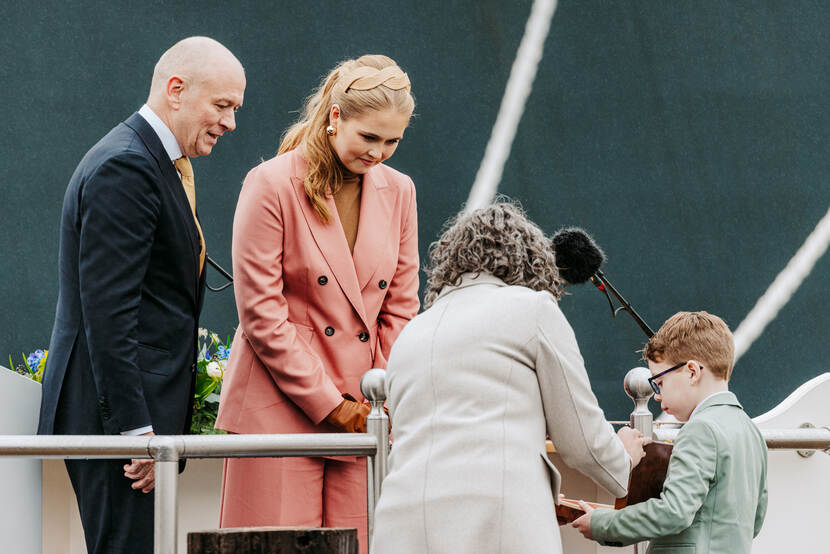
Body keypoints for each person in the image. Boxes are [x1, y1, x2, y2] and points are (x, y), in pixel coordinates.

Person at [36, 37, 245, 553]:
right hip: (123, 432)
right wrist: (136, 435)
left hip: (135, 428)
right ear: (176, 90)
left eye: (235, 108)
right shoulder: (127, 167)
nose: (231, 123)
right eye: (222, 106)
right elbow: (109, 315)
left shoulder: (147, 160)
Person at [215, 54, 419, 554]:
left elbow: (402, 306)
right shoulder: (270, 183)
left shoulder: (401, 191)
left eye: (392, 141)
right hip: (278, 411)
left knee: (363, 545)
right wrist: (331, 406)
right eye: (369, 137)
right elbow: (262, 315)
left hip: (364, 412)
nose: (380, 153)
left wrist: (379, 400)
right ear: (333, 118)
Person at [370, 201, 648, 554]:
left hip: (400, 525)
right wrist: (624, 461)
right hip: (497, 519)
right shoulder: (533, 310)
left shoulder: (412, 333)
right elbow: (582, 440)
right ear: (531, 259)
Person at [572, 311, 769, 553]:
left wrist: (602, 524)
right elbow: (756, 519)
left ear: (692, 372)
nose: (656, 395)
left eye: (660, 382)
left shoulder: (700, 429)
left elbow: (674, 512)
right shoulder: (751, 432)